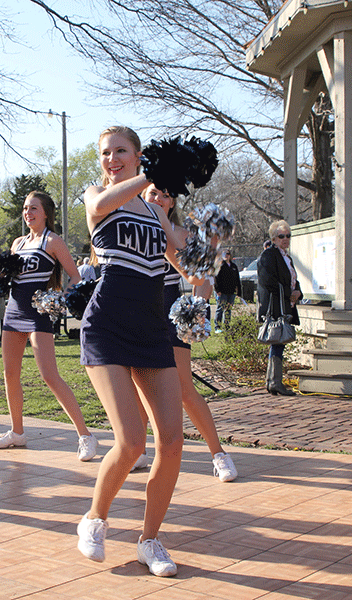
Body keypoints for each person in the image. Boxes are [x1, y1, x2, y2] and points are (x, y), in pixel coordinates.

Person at [75, 126, 187, 578]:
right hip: (106, 327)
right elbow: (101, 207)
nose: (112, 158)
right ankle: (94, 518)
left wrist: (205, 248)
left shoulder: (153, 209)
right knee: (131, 440)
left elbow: (185, 261)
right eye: (106, 153)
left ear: (138, 154)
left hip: (151, 329)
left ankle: (149, 539)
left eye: (121, 151)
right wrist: (149, 178)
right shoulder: (96, 195)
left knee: (174, 443)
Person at [0, 191, 98, 461]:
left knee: (49, 375)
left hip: (38, 313)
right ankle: (17, 431)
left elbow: (74, 276)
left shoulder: (53, 241)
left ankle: (86, 435)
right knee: (10, 374)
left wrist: (59, 298)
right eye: (25, 208)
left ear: (46, 212)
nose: (28, 212)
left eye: (34, 208)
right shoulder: (18, 243)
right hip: (14, 311)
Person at [143, 184, 238, 482]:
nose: (157, 198)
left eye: (163, 194)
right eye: (152, 193)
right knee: (141, 387)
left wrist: (197, 308)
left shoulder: (181, 235)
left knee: (183, 388)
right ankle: (138, 450)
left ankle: (218, 454)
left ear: (172, 202)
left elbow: (204, 276)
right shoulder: (133, 230)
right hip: (139, 309)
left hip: (170, 310)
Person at [257, 220, 302, 396]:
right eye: (282, 236)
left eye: (288, 236)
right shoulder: (269, 255)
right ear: (274, 238)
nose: (286, 239)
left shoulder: (287, 257)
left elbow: (293, 279)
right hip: (275, 306)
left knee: (279, 343)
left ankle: (273, 381)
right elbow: (267, 281)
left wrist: (298, 292)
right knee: (277, 340)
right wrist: (287, 293)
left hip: (286, 304)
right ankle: (274, 382)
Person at [213, 250, 240, 333]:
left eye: (228, 254)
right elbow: (215, 279)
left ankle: (227, 326)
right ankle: (217, 327)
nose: (226, 255)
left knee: (228, 309)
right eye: (224, 254)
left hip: (231, 292)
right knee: (220, 308)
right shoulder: (220, 265)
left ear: (230, 255)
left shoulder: (234, 266)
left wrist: (238, 292)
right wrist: (217, 290)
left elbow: (237, 280)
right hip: (222, 292)